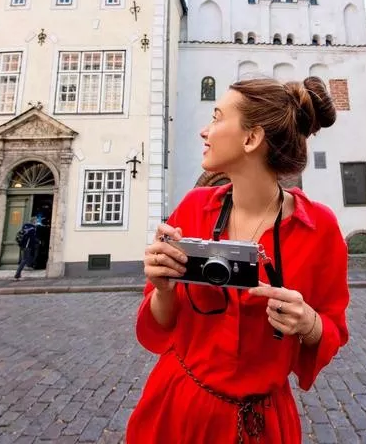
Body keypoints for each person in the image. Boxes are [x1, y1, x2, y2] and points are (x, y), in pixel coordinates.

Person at [126, 76, 350, 443]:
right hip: (179, 411)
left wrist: (308, 322)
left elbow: (333, 331)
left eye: (216, 118)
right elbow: (159, 322)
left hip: (262, 423)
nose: (205, 130)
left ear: (251, 138)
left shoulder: (319, 228)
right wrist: (163, 289)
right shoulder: (194, 208)